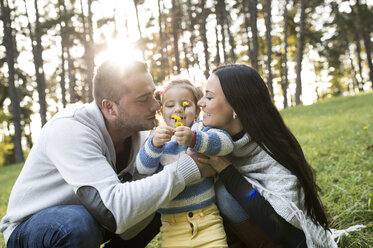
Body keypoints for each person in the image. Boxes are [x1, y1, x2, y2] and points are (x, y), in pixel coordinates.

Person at [0, 60, 214, 248]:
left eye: (154, 95)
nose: (156, 105)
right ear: (109, 107)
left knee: (163, 198)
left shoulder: (142, 137)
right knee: (78, 224)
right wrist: (188, 169)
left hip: (97, 219)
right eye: (143, 99)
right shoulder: (70, 128)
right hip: (34, 229)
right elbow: (113, 212)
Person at [191, 64, 338, 247]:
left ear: (236, 106)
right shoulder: (208, 138)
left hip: (291, 239)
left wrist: (224, 168)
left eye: (209, 97)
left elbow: (283, 226)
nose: (200, 103)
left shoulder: (271, 150)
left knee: (225, 193)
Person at [135, 79, 233, 247]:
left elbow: (226, 144)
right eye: (170, 105)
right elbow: (143, 168)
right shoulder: (158, 137)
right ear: (162, 112)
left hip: (206, 219)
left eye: (186, 104)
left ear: (196, 111)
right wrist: (154, 145)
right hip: (171, 226)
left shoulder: (200, 130)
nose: (178, 109)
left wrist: (194, 139)